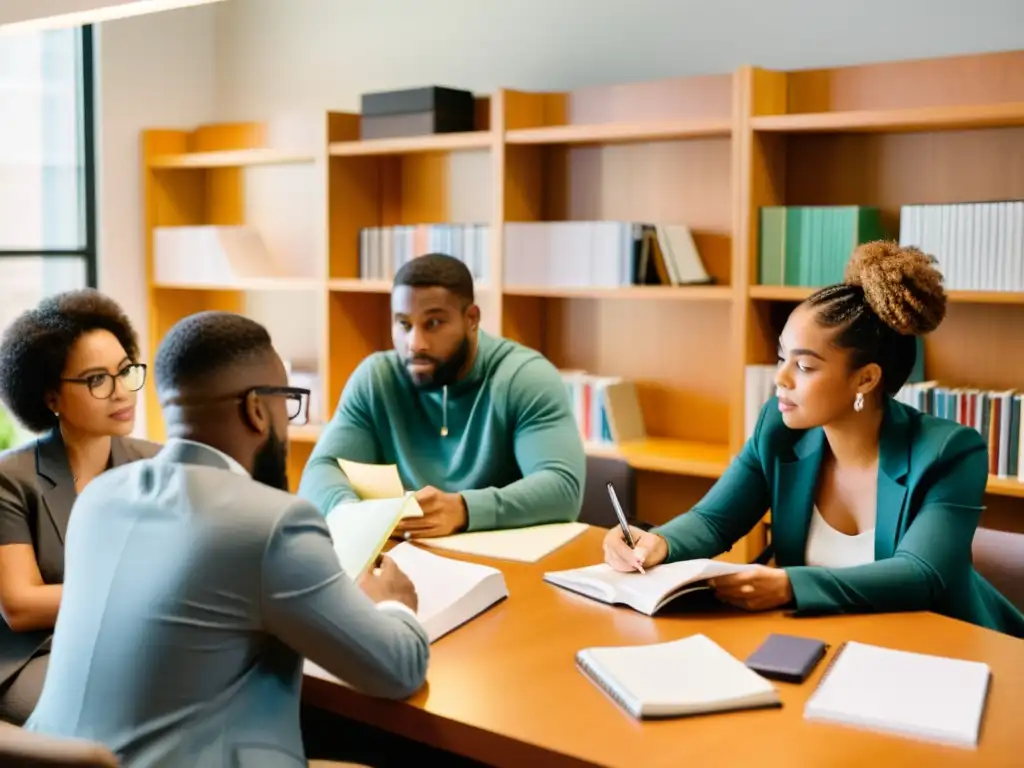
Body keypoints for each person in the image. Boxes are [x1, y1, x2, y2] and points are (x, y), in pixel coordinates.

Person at [24, 311, 431, 766]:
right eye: (287, 401)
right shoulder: (272, 523)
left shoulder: (99, 498)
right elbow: (398, 670)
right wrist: (394, 604)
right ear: (256, 409)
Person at [604, 241, 1024, 638]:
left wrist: (790, 586)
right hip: (820, 644)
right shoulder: (779, 429)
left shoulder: (951, 452)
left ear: (866, 378)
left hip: (940, 652)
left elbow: (921, 574)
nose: (780, 378)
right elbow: (713, 520)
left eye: (804, 367)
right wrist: (657, 542)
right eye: (782, 357)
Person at [299, 253, 586, 537]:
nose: (415, 344)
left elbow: (562, 488)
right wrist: (352, 513)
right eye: (404, 324)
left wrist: (464, 509)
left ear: (471, 319)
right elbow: (321, 469)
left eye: (433, 323)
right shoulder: (377, 378)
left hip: (505, 562)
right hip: (407, 557)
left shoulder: (524, 377)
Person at [0, 289, 159, 725]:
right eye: (96, 380)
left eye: (126, 371)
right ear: (50, 397)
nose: (121, 392)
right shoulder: (10, 478)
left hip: (132, 646)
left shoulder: (158, 465)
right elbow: (21, 605)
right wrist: (134, 593)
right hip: (34, 656)